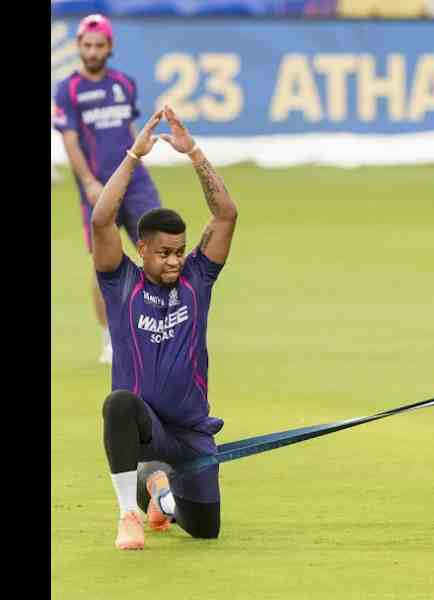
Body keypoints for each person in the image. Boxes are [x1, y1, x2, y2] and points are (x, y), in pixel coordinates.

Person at [93, 105, 238, 550]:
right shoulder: (122, 282)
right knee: (119, 404)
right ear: (142, 249)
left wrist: (192, 152)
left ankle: (158, 487)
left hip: (192, 433)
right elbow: (101, 220)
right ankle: (128, 515)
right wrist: (133, 157)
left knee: (204, 530)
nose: (174, 261)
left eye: (179, 251)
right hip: (146, 428)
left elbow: (226, 215)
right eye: (164, 253)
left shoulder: (197, 278)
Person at [53, 14, 163, 365]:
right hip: (99, 185)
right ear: (78, 46)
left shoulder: (124, 84)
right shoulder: (68, 90)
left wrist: (140, 160)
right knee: (105, 263)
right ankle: (110, 339)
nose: (93, 51)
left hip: (136, 181)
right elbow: (70, 140)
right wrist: (88, 182)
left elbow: (127, 129)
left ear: (109, 46)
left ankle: (161, 329)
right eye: (87, 45)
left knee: (159, 250)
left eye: (99, 45)